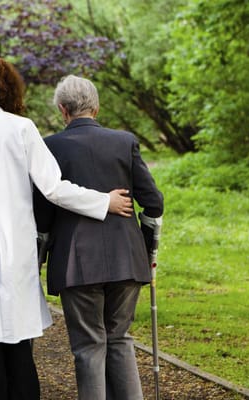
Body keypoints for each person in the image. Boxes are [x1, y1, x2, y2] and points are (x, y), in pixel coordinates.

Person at [0, 56, 134, 400]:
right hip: (14, 249)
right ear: (9, 89)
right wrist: (103, 202)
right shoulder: (22, 128)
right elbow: (53, 187)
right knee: (19, 345)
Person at [33, 75, 164, 400]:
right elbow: (154, 202)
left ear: (63, 110)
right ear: (97, 106)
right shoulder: (124, 141)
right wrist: (146, 245)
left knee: (89, 346)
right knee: (119, 339)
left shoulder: (49, 146)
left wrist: (40, 253)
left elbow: (43, 212)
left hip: (77, 263)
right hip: (127, 260)